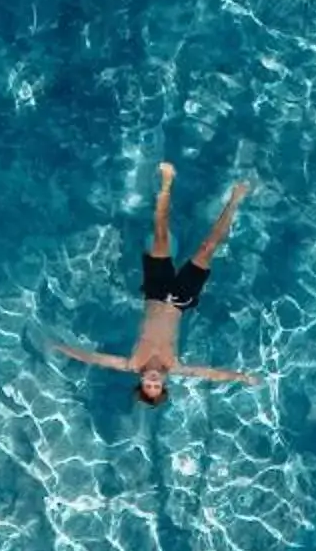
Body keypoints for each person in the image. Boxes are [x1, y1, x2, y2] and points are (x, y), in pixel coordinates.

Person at [53, 162, 257, 403]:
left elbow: (93, 358)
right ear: (164, 383)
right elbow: (211, 374)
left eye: (147, 385)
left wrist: (58, 347)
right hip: (181, 298)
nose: (152, 380)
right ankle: (235, 199)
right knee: (208, 247)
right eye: (156, 385)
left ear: (141, 382)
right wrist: (242, 377)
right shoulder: (176, 367)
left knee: (160, 235)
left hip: (156, 292)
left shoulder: (131, 363)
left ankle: (166, 183)